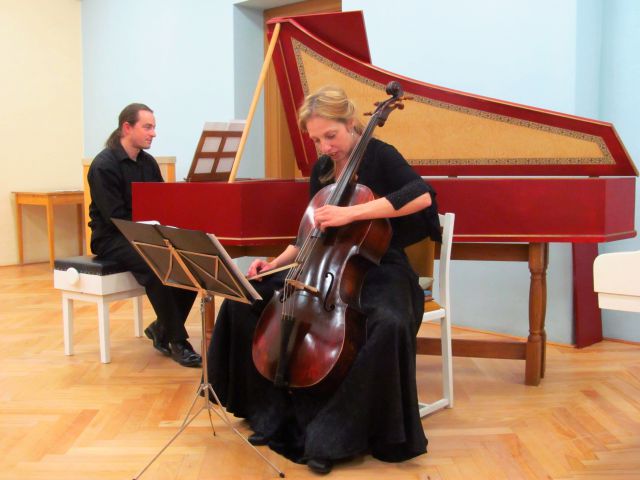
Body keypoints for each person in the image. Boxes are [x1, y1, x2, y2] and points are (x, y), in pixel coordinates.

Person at [206, 86, 441, 473]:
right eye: (316, 140)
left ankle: (335, 433)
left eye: (330, 135)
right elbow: (309, 234)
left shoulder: (380, 155)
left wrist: (352, 214)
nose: (324, 147)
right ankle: (270, 413)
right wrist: (273, 262)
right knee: (243, 298)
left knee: (391, 324)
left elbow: (421, 196)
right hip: (321, 265)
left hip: (380, 264)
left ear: (350, 123)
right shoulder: (322, 170)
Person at [87, 103, 201, 368]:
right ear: (127, 128)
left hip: (143, 232)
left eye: (154, 127)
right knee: (156, 262)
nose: (153, 133)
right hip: (111, 237)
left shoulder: (147, 163)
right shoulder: (104, 165)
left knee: (191, 262)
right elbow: (115, 217)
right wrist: (151, 234)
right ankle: (177, 341)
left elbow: (161, 203)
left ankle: (161, 329)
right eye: (147, 127)